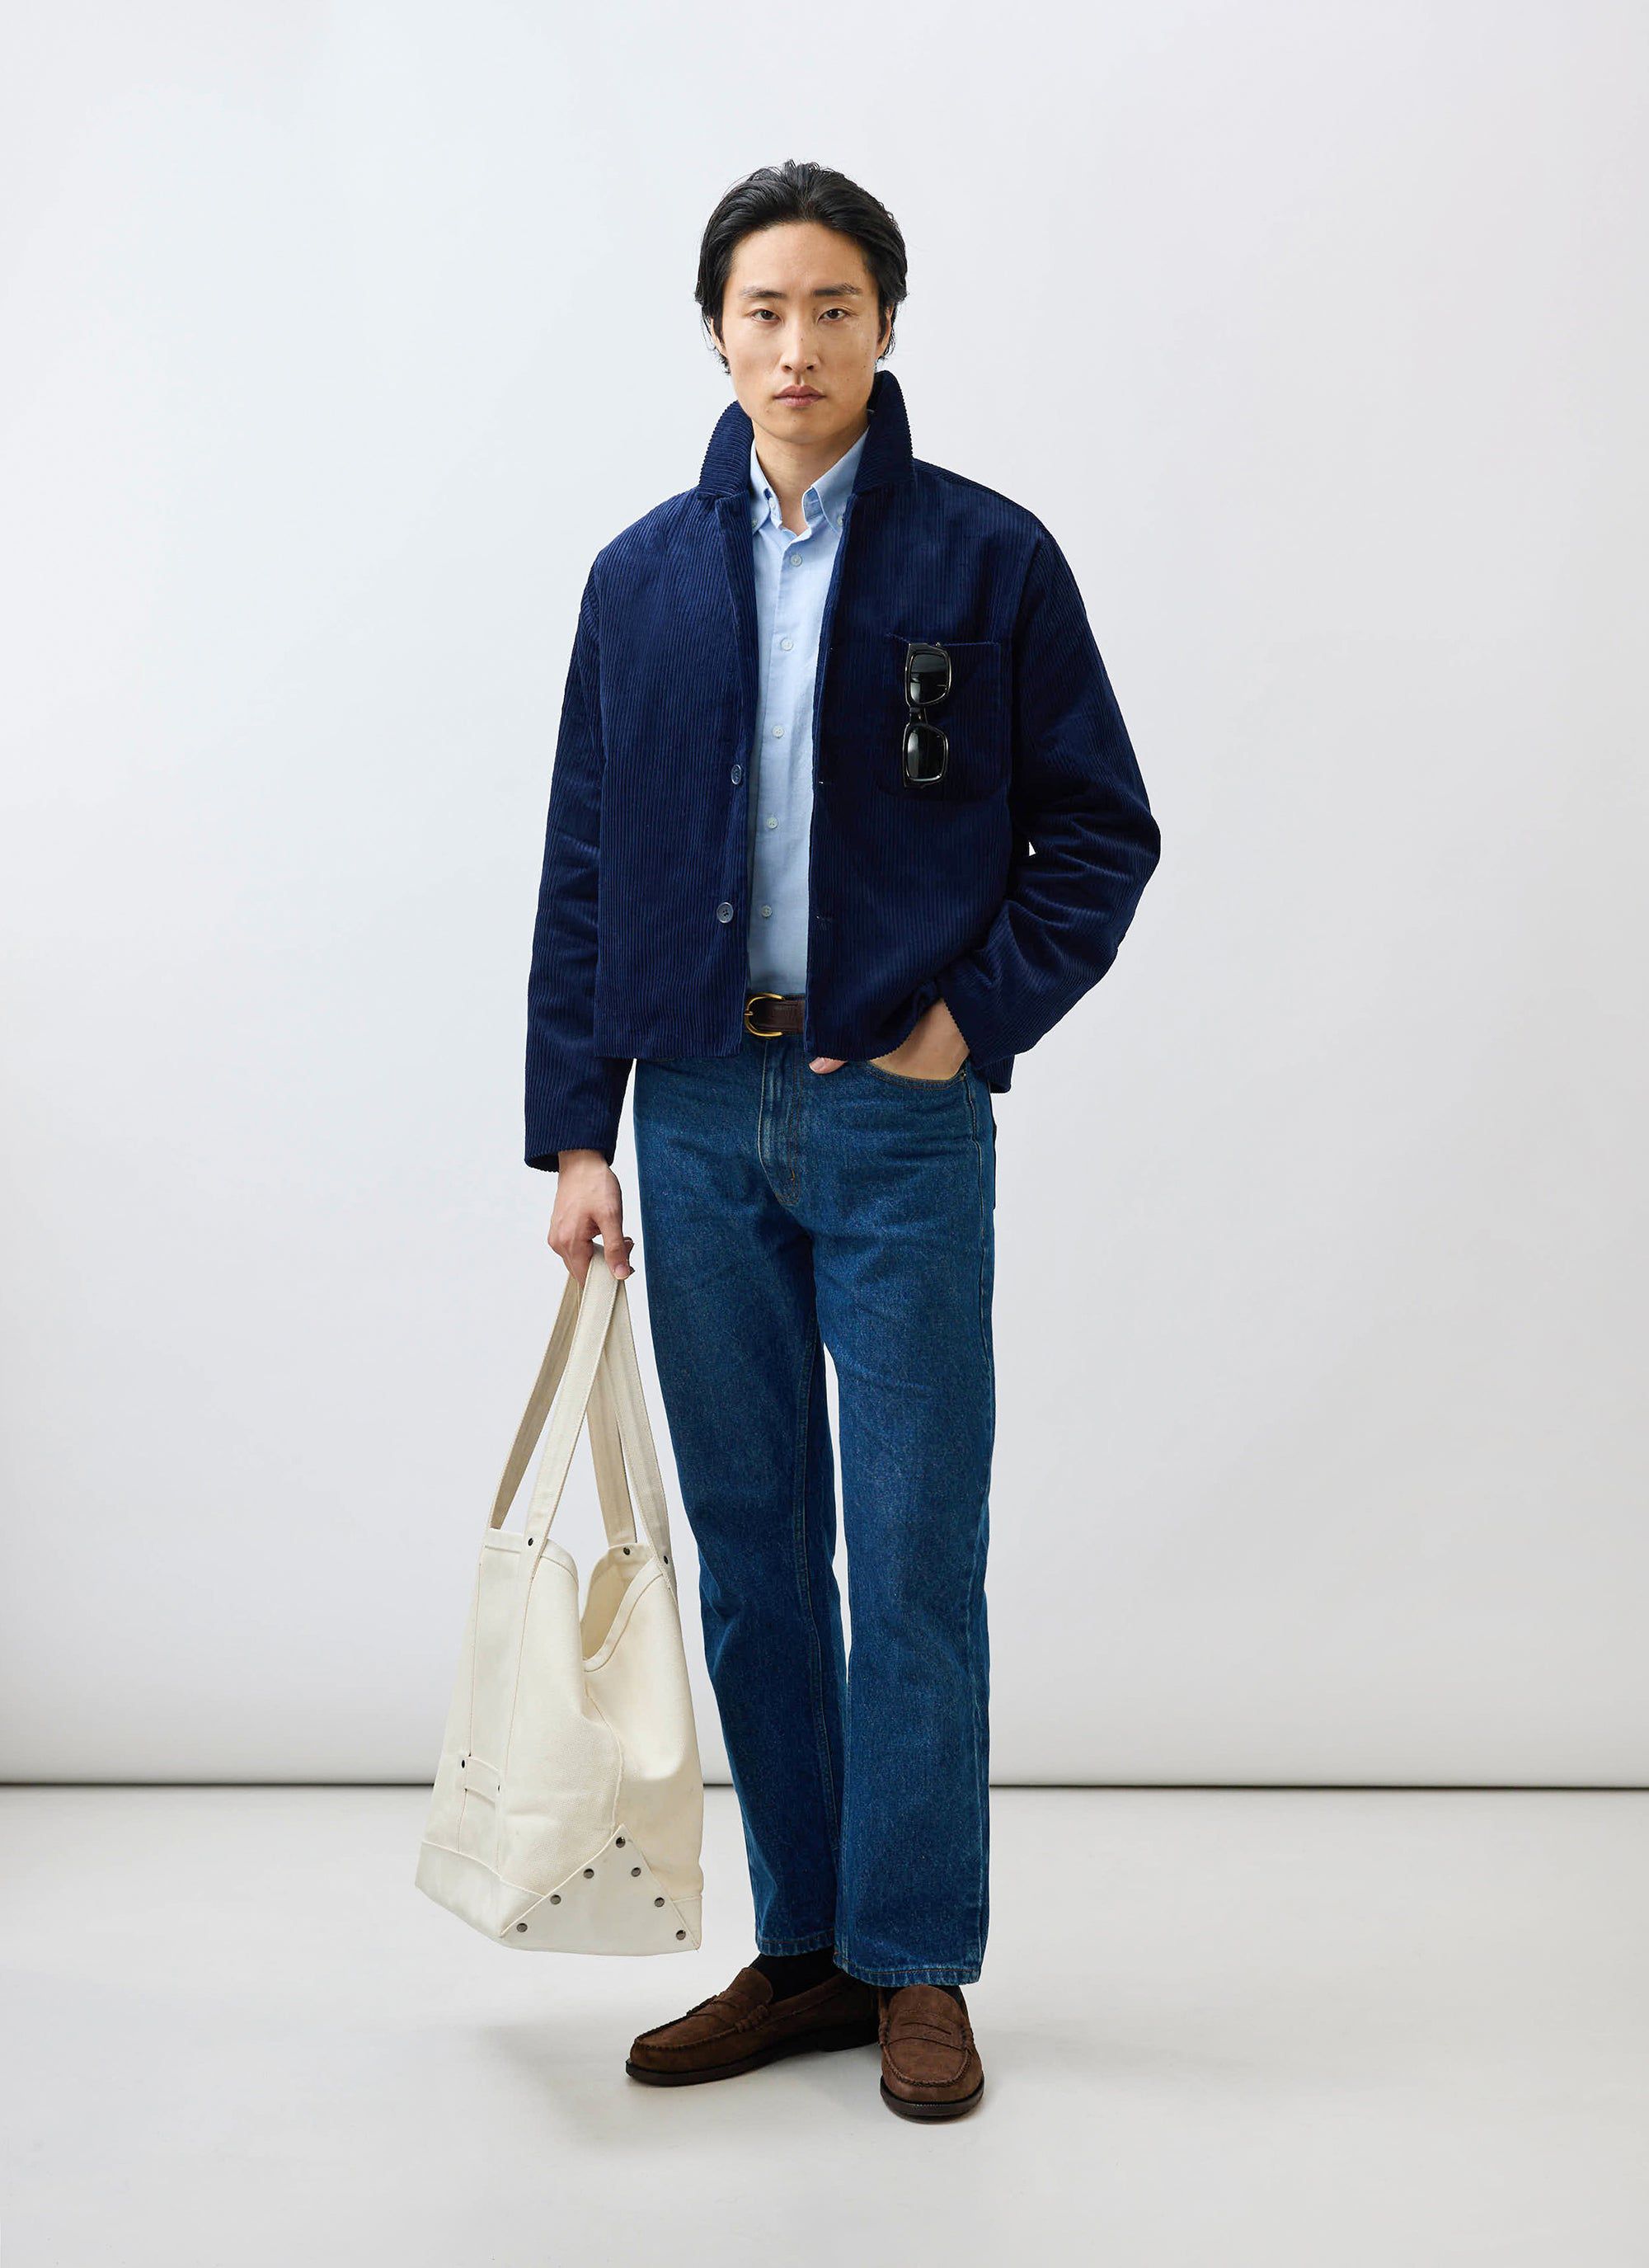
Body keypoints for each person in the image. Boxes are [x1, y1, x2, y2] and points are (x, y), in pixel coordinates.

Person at [524, 159, 1161, 2120]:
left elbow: (1100, 829)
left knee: (912, 1551)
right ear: (713, 331)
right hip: (696, 1117)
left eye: (833, 308)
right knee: (751, 1558)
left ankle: (916, 1956)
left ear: (886, 323)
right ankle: (803, 1947)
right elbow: (585, 862)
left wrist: (965, 1022)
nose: (796, 345)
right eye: (763, 310)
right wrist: (575, 1134)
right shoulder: (639, 578)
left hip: (897, 1122)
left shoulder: (987, 559)